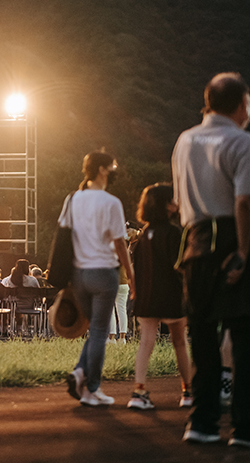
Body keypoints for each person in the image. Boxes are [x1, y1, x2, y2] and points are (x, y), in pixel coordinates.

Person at [171, 72, 250, 447]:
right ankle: (247, 426)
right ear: (241, 105)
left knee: (202, 336)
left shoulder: (184, 141)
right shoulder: (242, 141)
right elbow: (246, 200)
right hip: (233, 238)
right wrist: (241, 250)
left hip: (194, 242)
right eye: (249, 103)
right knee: (249, 334)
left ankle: (202, 422)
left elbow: (181, 201)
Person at [63, 150, 135, 407]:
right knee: (101, 332)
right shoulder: (111, 202)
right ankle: (92, 387)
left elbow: (64, 235)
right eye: (112, 165)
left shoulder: (73, 199)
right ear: (102, 170)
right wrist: (132, 275)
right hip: (104, 272)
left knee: (95, 331)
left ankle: (79, 373)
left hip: (79, 274)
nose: (115, 169)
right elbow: (120, 243)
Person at [126, 183, 193, 410]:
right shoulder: (174, 233)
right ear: (167, 205)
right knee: (179, 342)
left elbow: (139, 269)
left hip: (146, 296)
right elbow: (180, 266)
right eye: (173, 200)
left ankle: (139, 390)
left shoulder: (143, 236)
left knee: (146, 342)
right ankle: (187, 391)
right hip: (171, 295)